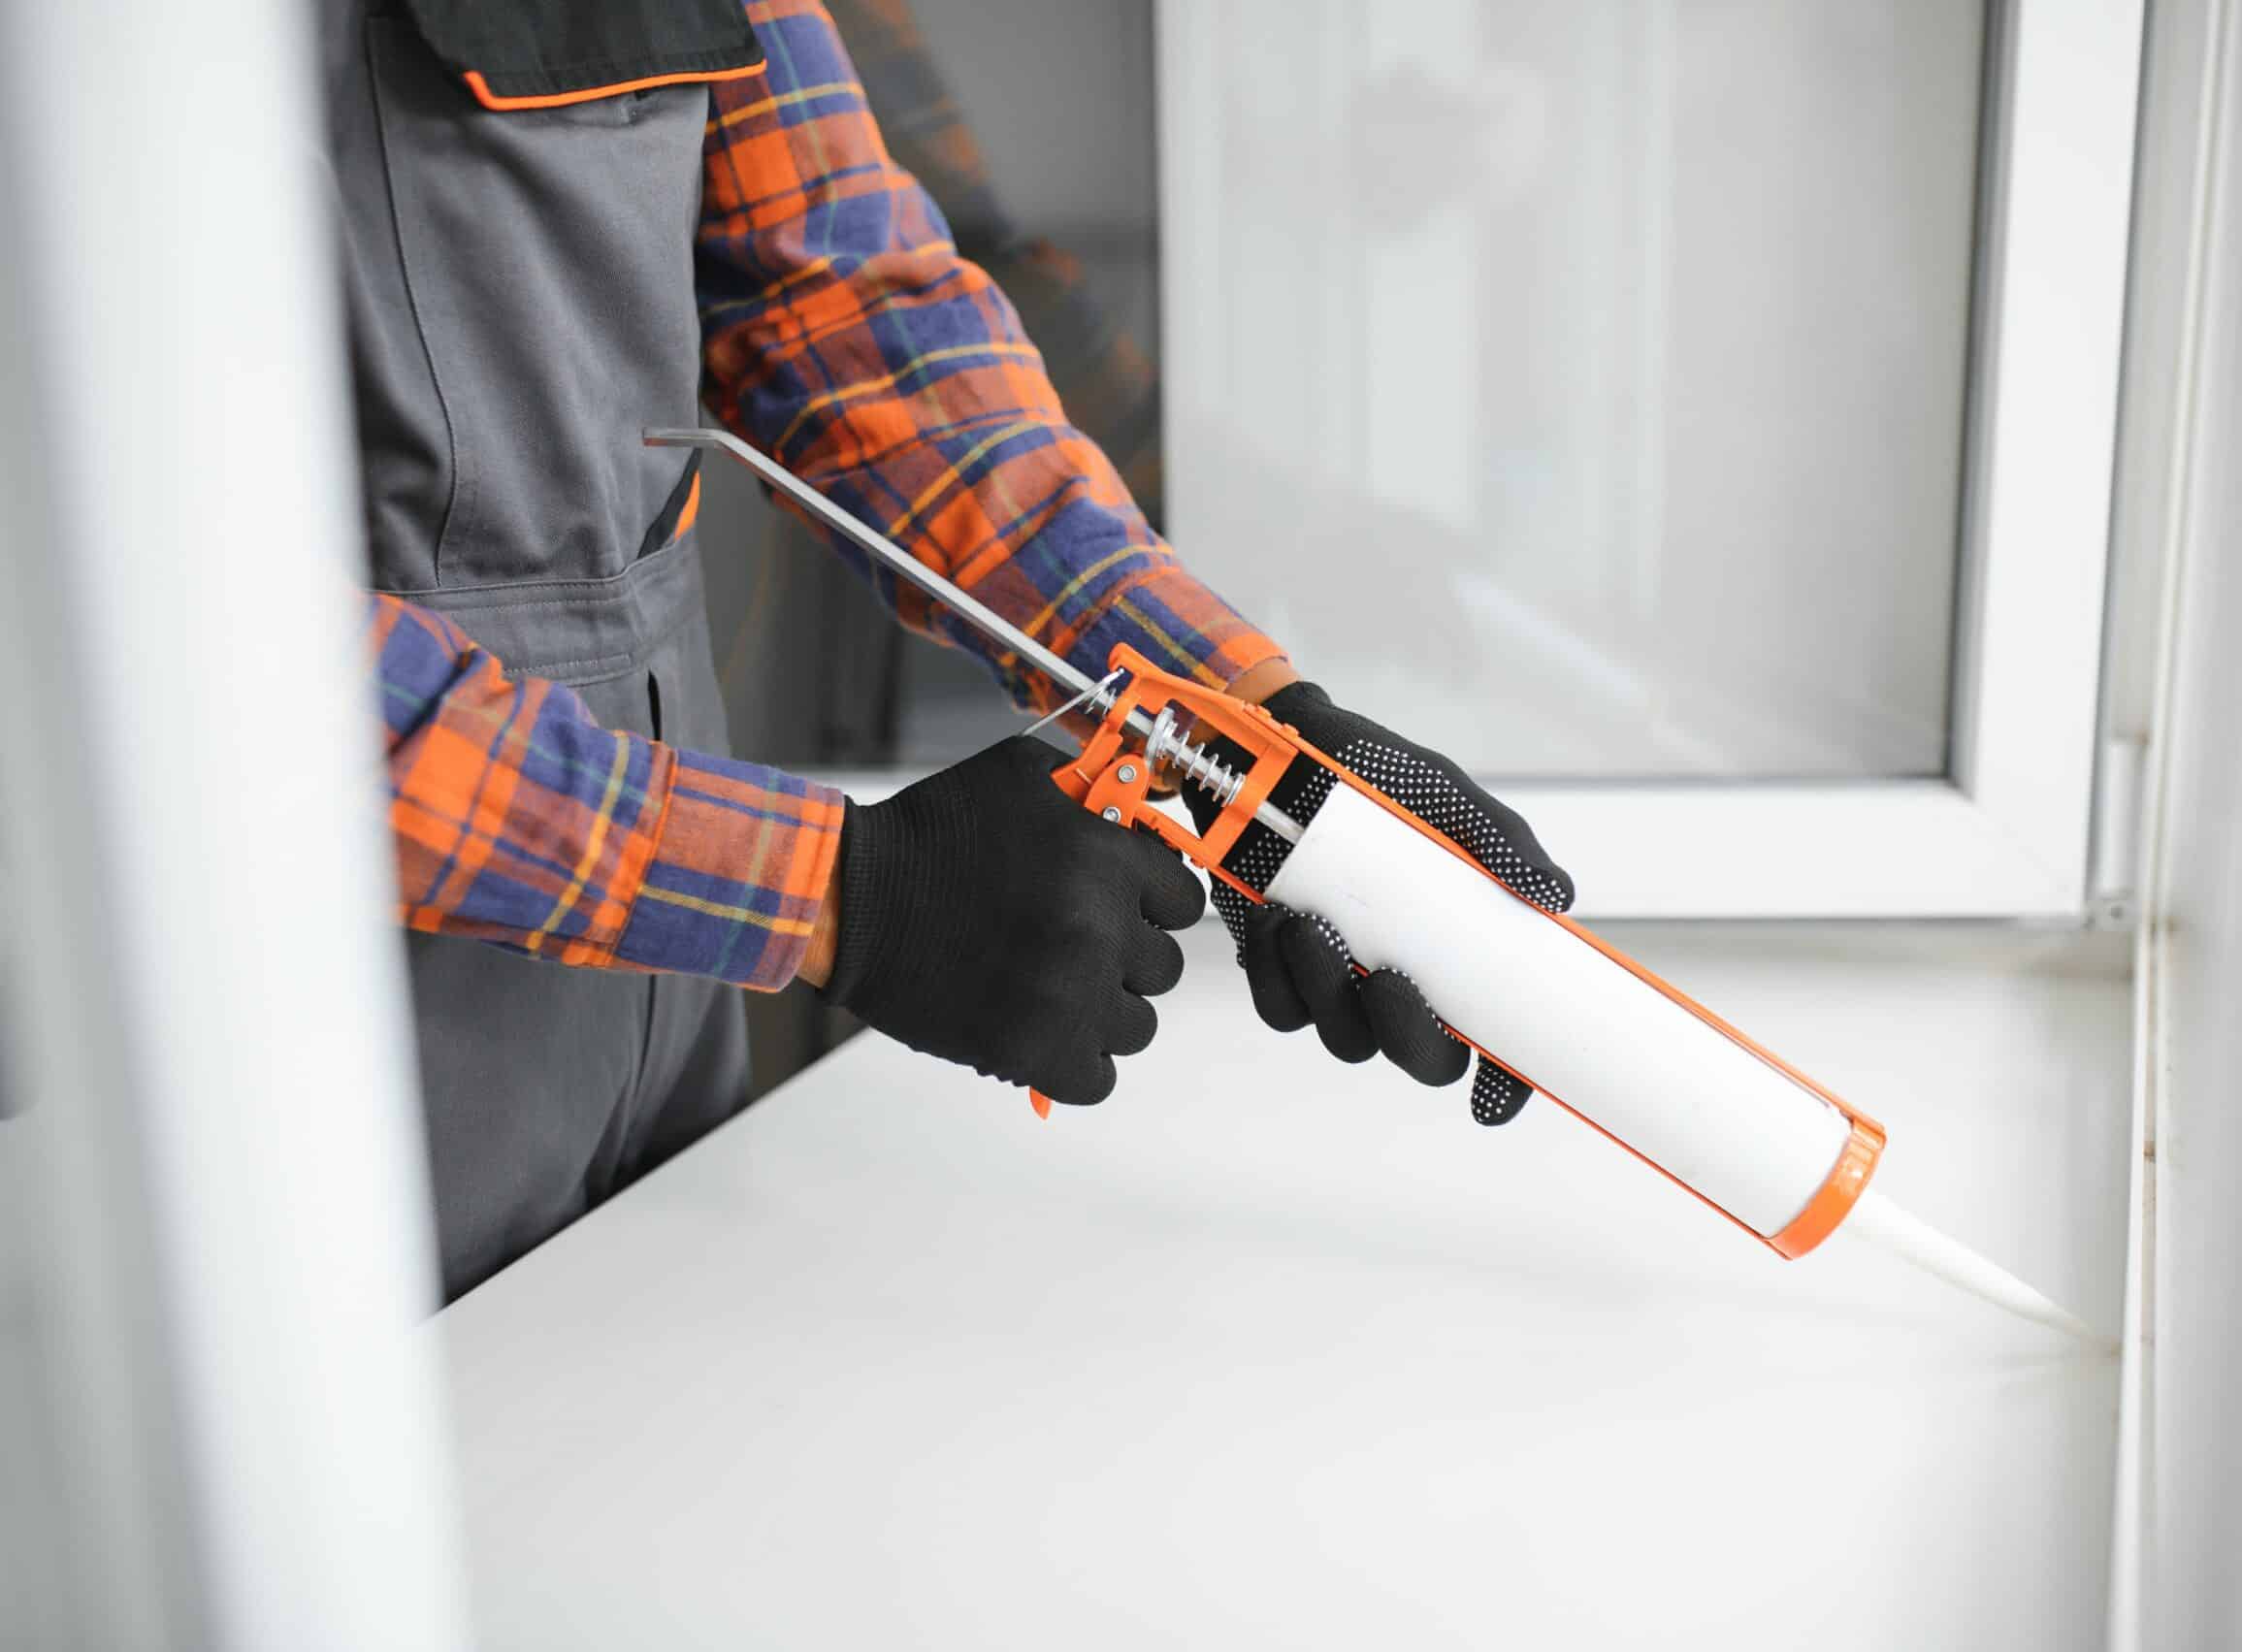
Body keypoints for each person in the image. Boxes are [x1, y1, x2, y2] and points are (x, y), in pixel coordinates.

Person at [337, 0, 1572, 1301]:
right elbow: (182, 683)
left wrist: (1248, 732)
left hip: (658, 1007)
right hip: (329, 1064)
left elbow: (846, 309)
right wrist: (836, 890)